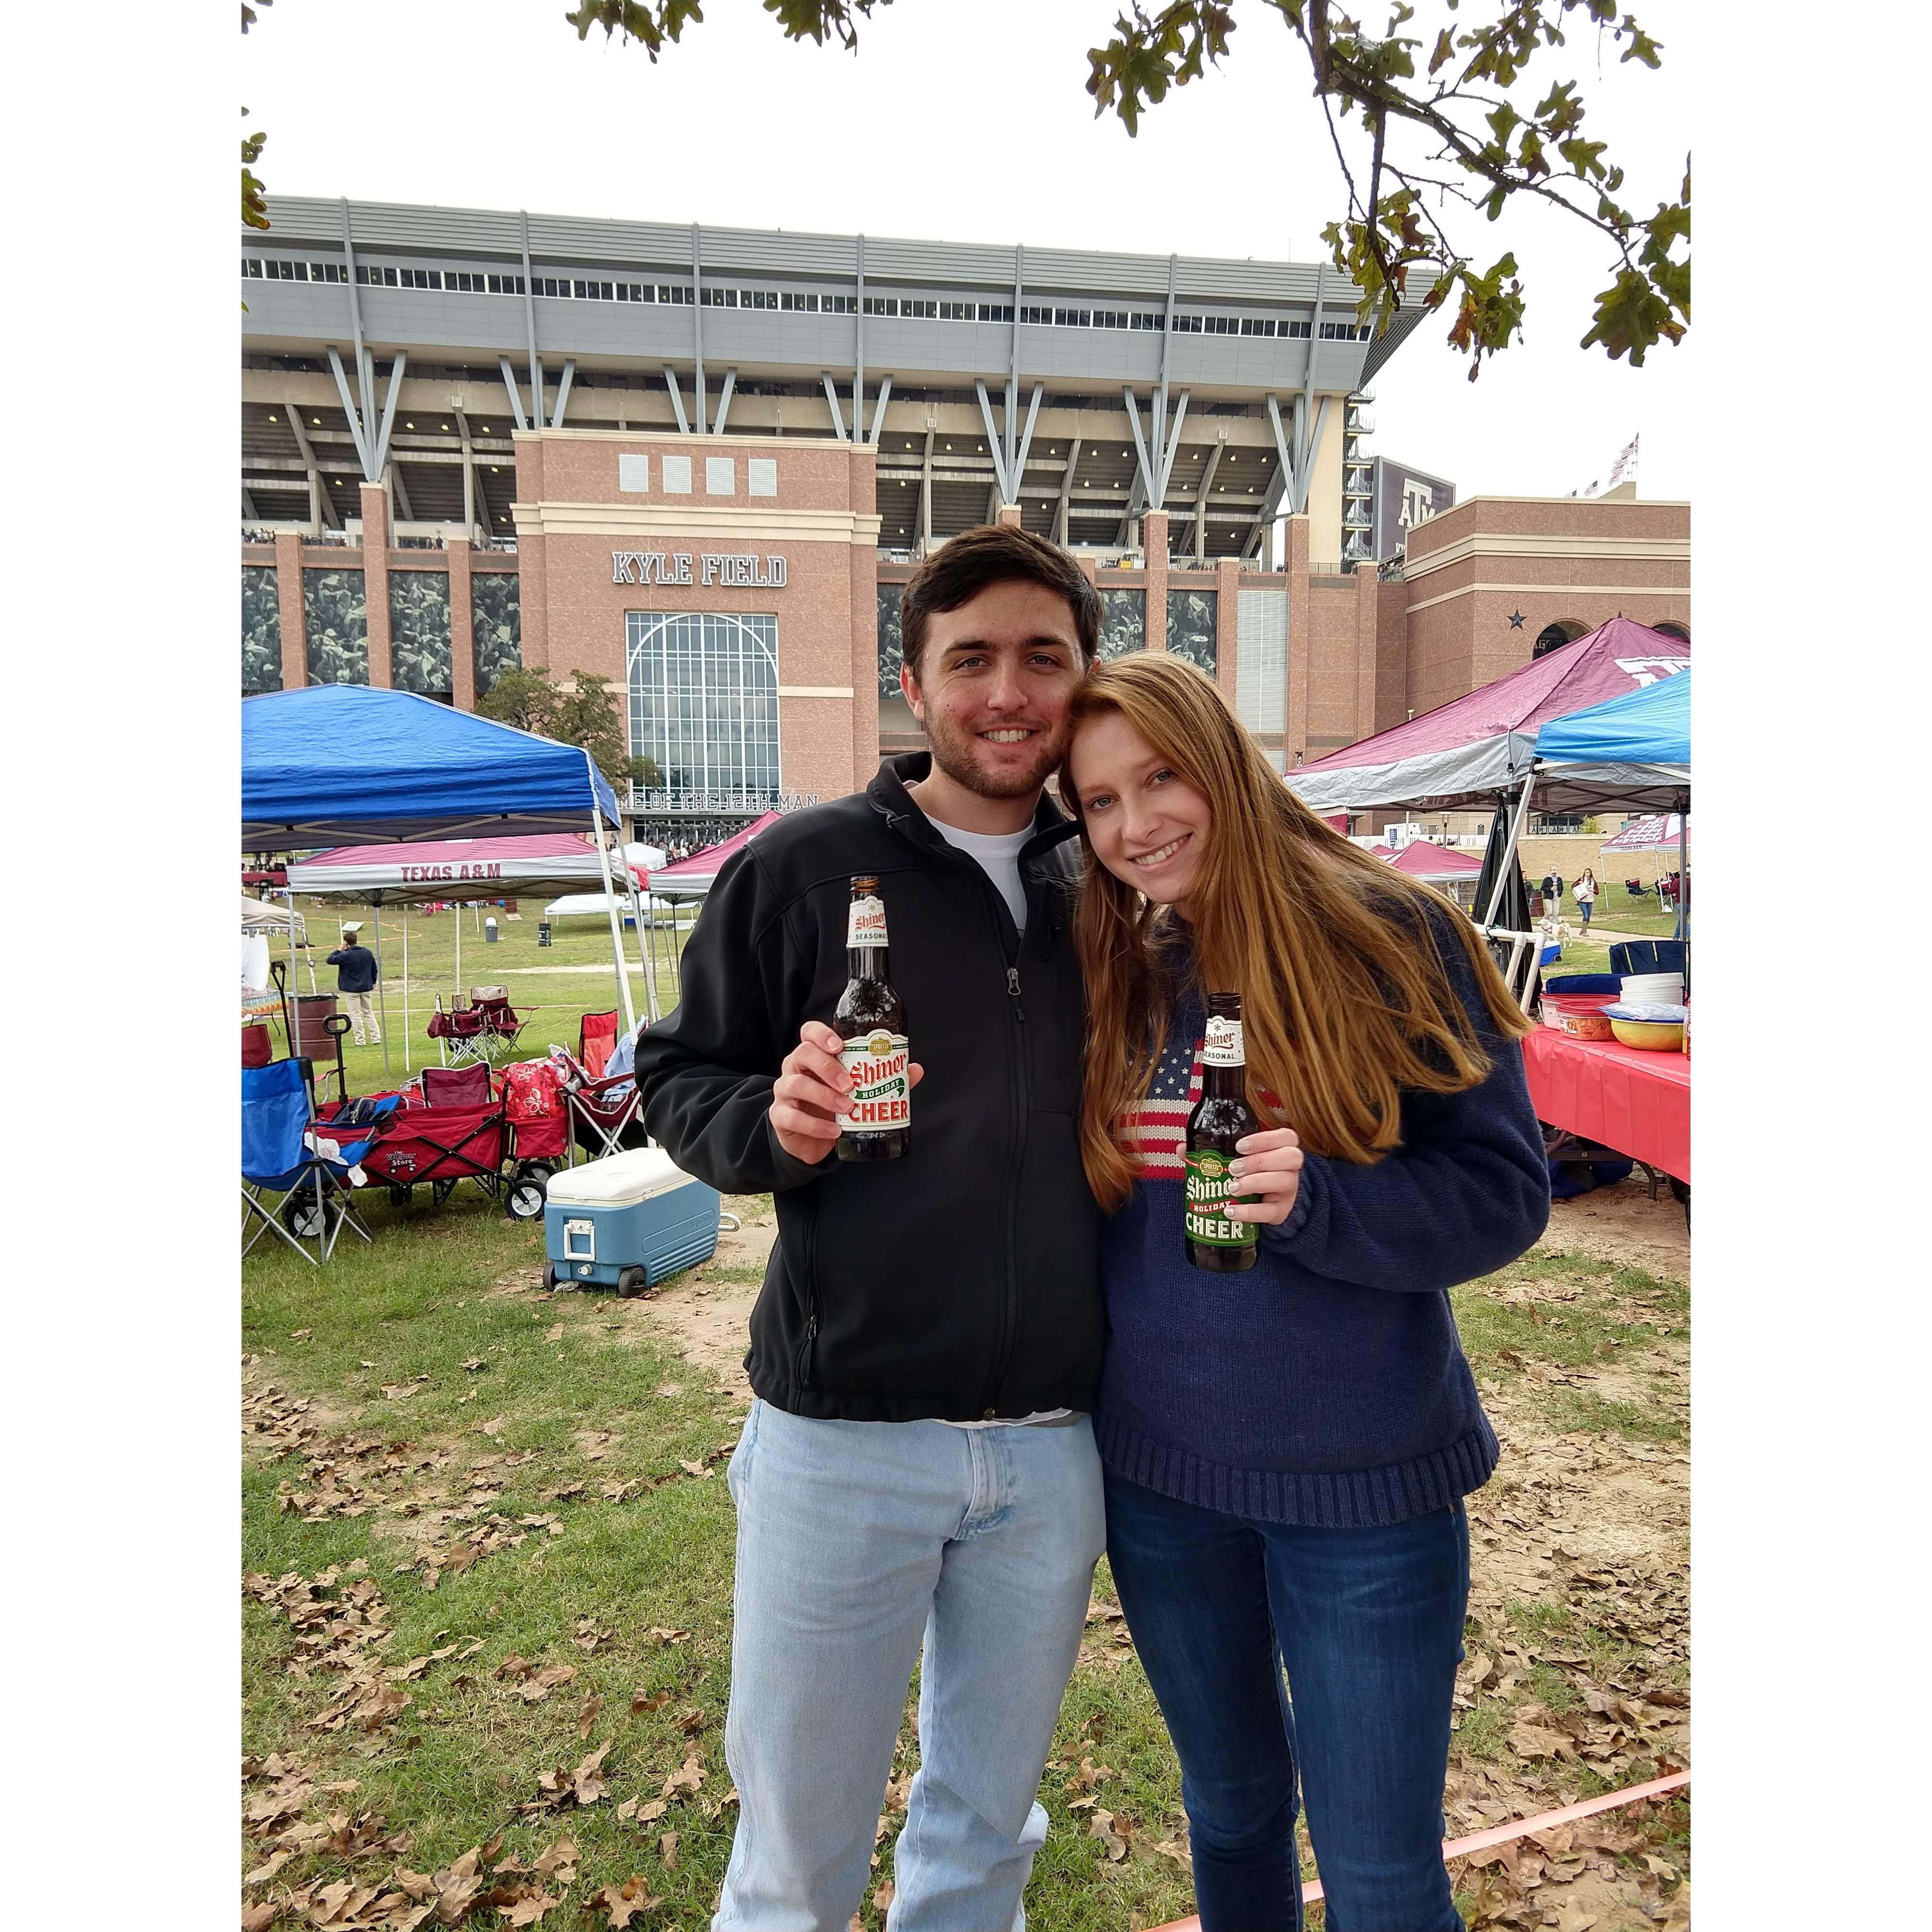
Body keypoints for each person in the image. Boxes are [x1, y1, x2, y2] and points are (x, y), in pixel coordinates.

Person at [633, 524, 1108, 1932]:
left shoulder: (1125, 877)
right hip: (843, 1440)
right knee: (798, 1854)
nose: (1007, 693)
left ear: (1084, 680)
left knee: (983, 1838)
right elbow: (678, 1069)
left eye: (1044, 657)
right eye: (972, 659)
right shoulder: (801, 868)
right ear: (916, 684)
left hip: (1054, 1446)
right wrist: (765, 1131)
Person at [1059, 656, 1550, 1932]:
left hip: (1364, 1491)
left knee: (1382, 1882)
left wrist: (1327, 1206)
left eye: (1160, 778)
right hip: (1161, 1488)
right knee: (1228, 1814)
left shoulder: (1389, 932)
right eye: (1101, 802)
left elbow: (1505, 1194)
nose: (1135, 826)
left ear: (1224, 760)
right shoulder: (1120, 963)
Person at [325, 922, 381, 1045]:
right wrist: (373, 981)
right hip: (366, 987)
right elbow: (374, 968)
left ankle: (360, 1040)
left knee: (356, 1015)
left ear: (346, 943)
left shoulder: (345, 955)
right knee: (369, 1013)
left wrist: (338, 950)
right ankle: (376, 1038)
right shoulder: (367, 952)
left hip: (351, 989)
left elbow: (330, 960)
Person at [1574, 865, 1599, 930]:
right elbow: (1573, 886)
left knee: (1588, 917)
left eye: (1588, 872)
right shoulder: (1581, 879)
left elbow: (1597, 892)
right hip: (1582, 901)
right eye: (1586, 872)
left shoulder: (1593, 882)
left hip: (1590, 900)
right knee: (1586, 915)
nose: (1587, 874)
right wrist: (1579, 883)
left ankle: (1583, 929)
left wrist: (1593, 890)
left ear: (1591, 874)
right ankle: (1585, 931)